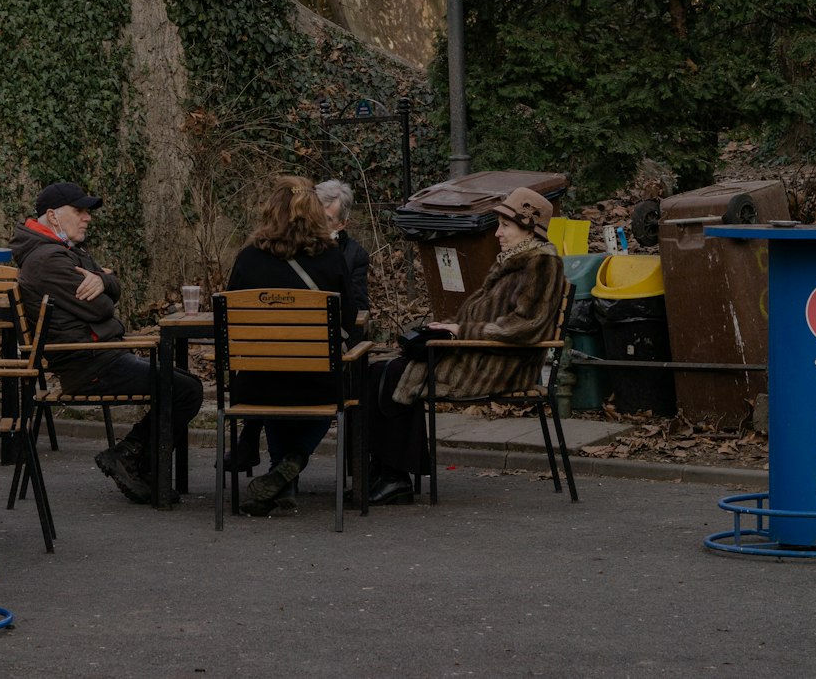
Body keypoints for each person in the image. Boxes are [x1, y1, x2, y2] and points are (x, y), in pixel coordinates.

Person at [366, 186, 564, 506]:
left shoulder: (540, 264)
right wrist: (449, 328)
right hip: (480, 352)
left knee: (393, 374)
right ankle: (382, 472)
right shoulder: (515, 261)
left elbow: (526, 325)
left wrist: (461, 330)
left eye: (506, 226)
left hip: (500, 364)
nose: (497, 233)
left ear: (530, 229)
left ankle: (394, 478)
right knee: (377, 369)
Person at [11, 180, 203, 506]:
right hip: (88, 364)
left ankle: (133, 460)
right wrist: (105, 289)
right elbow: (104, 306)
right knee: (186, 390)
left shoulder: (64, 251)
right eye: (80, 211)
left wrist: (103, 280)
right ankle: (131, 460)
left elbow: (113, 286)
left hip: (99, 355)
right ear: (53, 216)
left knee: (184, 385)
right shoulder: (48, 261)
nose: (87, 218)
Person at [225, 175, 357, 517]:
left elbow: (225, 321)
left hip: (254, 385)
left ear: (270, 210)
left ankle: (281, 479)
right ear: (314, 213)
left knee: (276, 380)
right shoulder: (330, 257)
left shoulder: (247, 258)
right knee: (337, 388)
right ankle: (294, 461)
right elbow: (349, 317)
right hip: (317, 385)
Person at [315, 178, 370, 312]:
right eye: (314, 214)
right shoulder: (287, 246)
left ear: (342, 224)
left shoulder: (354, 255)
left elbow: (358, 309)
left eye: (327, 219)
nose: (317, 222)